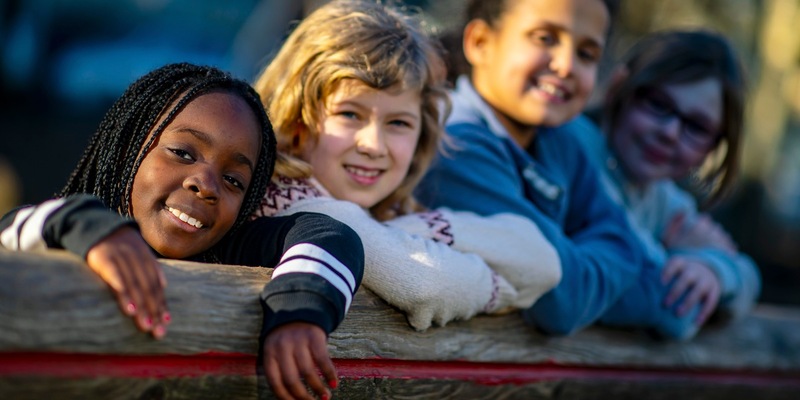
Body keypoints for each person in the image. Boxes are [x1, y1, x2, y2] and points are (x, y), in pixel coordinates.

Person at [0, 63, 364, 400]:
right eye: (183, 153)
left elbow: (330, 235)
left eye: (233, 180)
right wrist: (94, 227)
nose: (206, 185)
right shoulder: (64, 229)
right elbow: (12, 229)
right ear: (128, 148)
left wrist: (299, 313)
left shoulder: (229, 249)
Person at [251, 0, 562, 331]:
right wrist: (496, 289)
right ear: (299, 120)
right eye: (349, 114)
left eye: (398, 123)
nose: (373, 145)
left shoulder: (390, 213)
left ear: (421, 135)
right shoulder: (292, 201)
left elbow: (543, 261)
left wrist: (403, 234)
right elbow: (424, 283)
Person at [416, 0, 708, 340]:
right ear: (480, 43)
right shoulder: (457, 145)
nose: (567, 65)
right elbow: (563, 296)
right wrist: (618, 270)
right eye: (544, 38)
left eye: (586, 54)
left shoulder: (560, 141)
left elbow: (618, 239)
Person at [577, 30, 760, 327]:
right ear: (620, 88)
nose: (670, 133)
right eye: (659, 105)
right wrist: (677, 256)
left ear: (712, 148)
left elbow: (749, 277)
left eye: (696, 127)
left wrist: (713, 270)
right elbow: (673, 312)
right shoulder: (572, 154)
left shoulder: (662, 197)